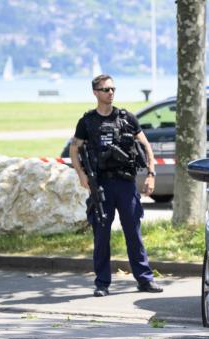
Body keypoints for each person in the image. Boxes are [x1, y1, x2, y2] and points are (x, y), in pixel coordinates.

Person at [69, 74, 163, 297]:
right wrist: (81, 174)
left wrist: (151, 174)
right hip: (100, 185)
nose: (110, 93)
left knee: (133, 232)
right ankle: (102, 282)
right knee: (101, 235)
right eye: (105, 89)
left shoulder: (126, 118)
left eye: (112, 89)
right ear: (95, 93)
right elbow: (74, 149)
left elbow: (146, 146)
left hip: (125, 184)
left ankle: (144, 279)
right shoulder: (87, 122)